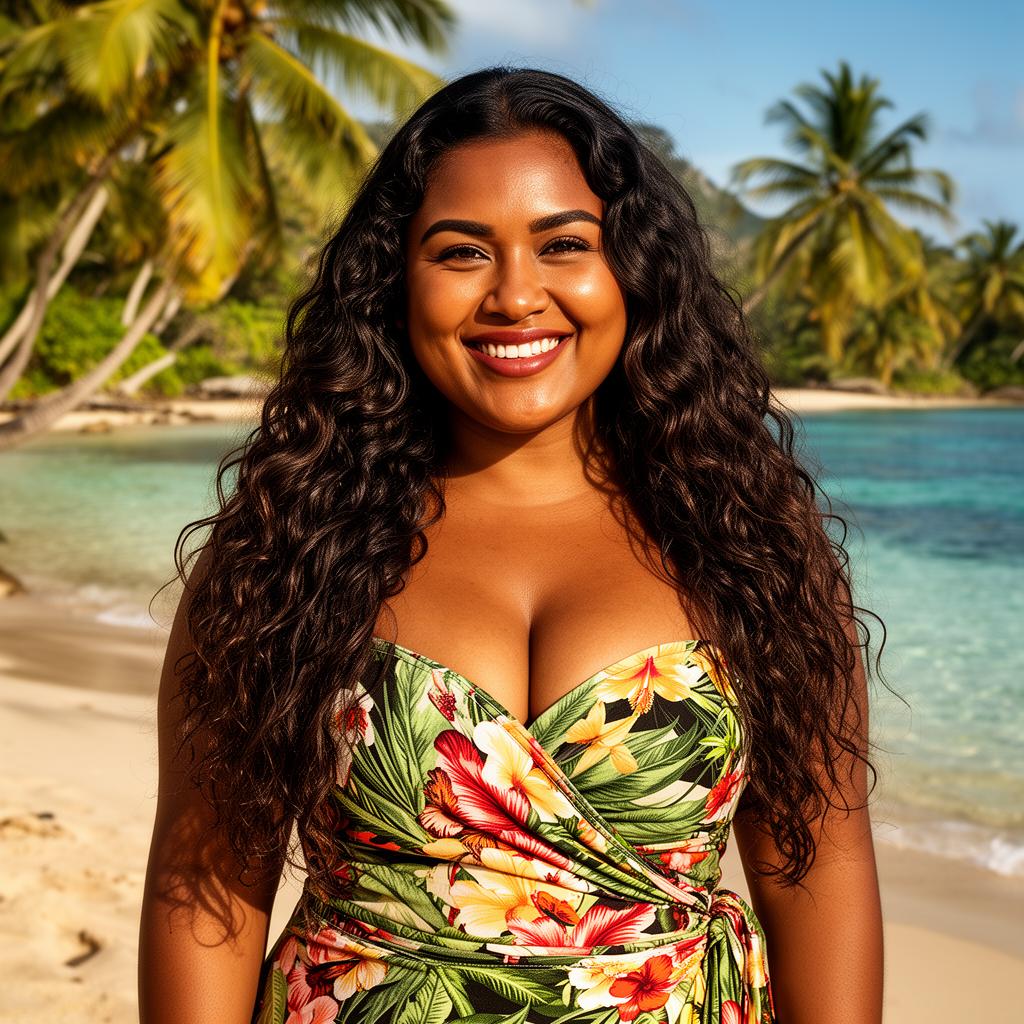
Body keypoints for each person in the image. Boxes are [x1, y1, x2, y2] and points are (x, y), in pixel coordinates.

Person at [139, 66, 885, 1024]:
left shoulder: (750, 543)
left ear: (634, 271)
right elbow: (208, 883)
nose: (516, 296)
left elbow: (819, 869)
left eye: (564, 244)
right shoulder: (286, 547)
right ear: (395, 281)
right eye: (461, 253)